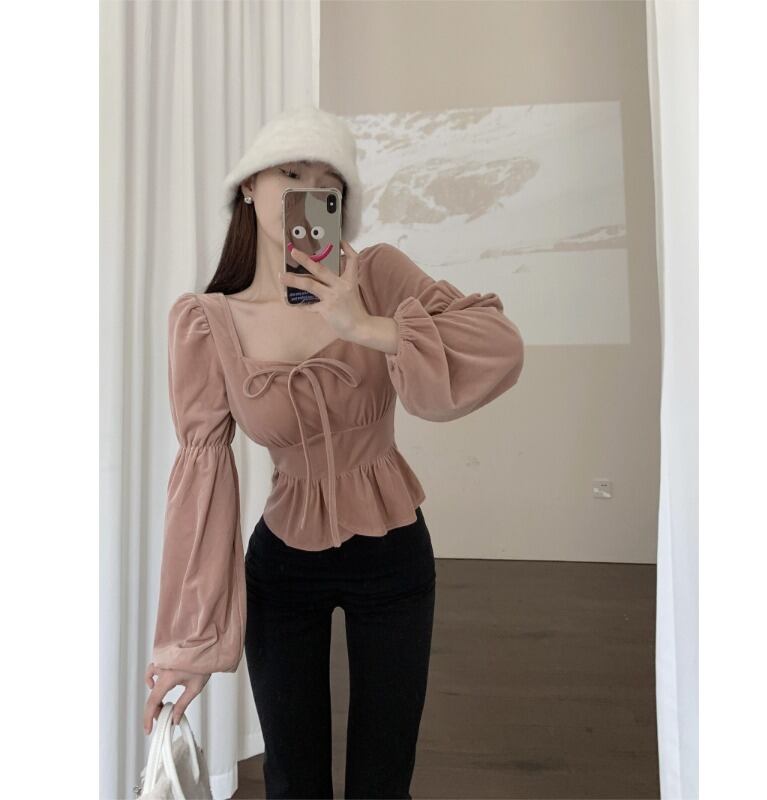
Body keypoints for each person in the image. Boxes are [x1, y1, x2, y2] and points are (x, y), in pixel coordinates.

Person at [142, 105, 525, 799]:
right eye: (289, 174)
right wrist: (189, 647)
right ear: (249, 187)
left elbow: (499, 345)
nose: (306, 193)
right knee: (293, 783)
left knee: (384, 782)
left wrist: (365, 327)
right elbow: (203, 482)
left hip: (393, 552)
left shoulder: (377, 276)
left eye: (327, 183)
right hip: (282, 568)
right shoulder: (209, 323)